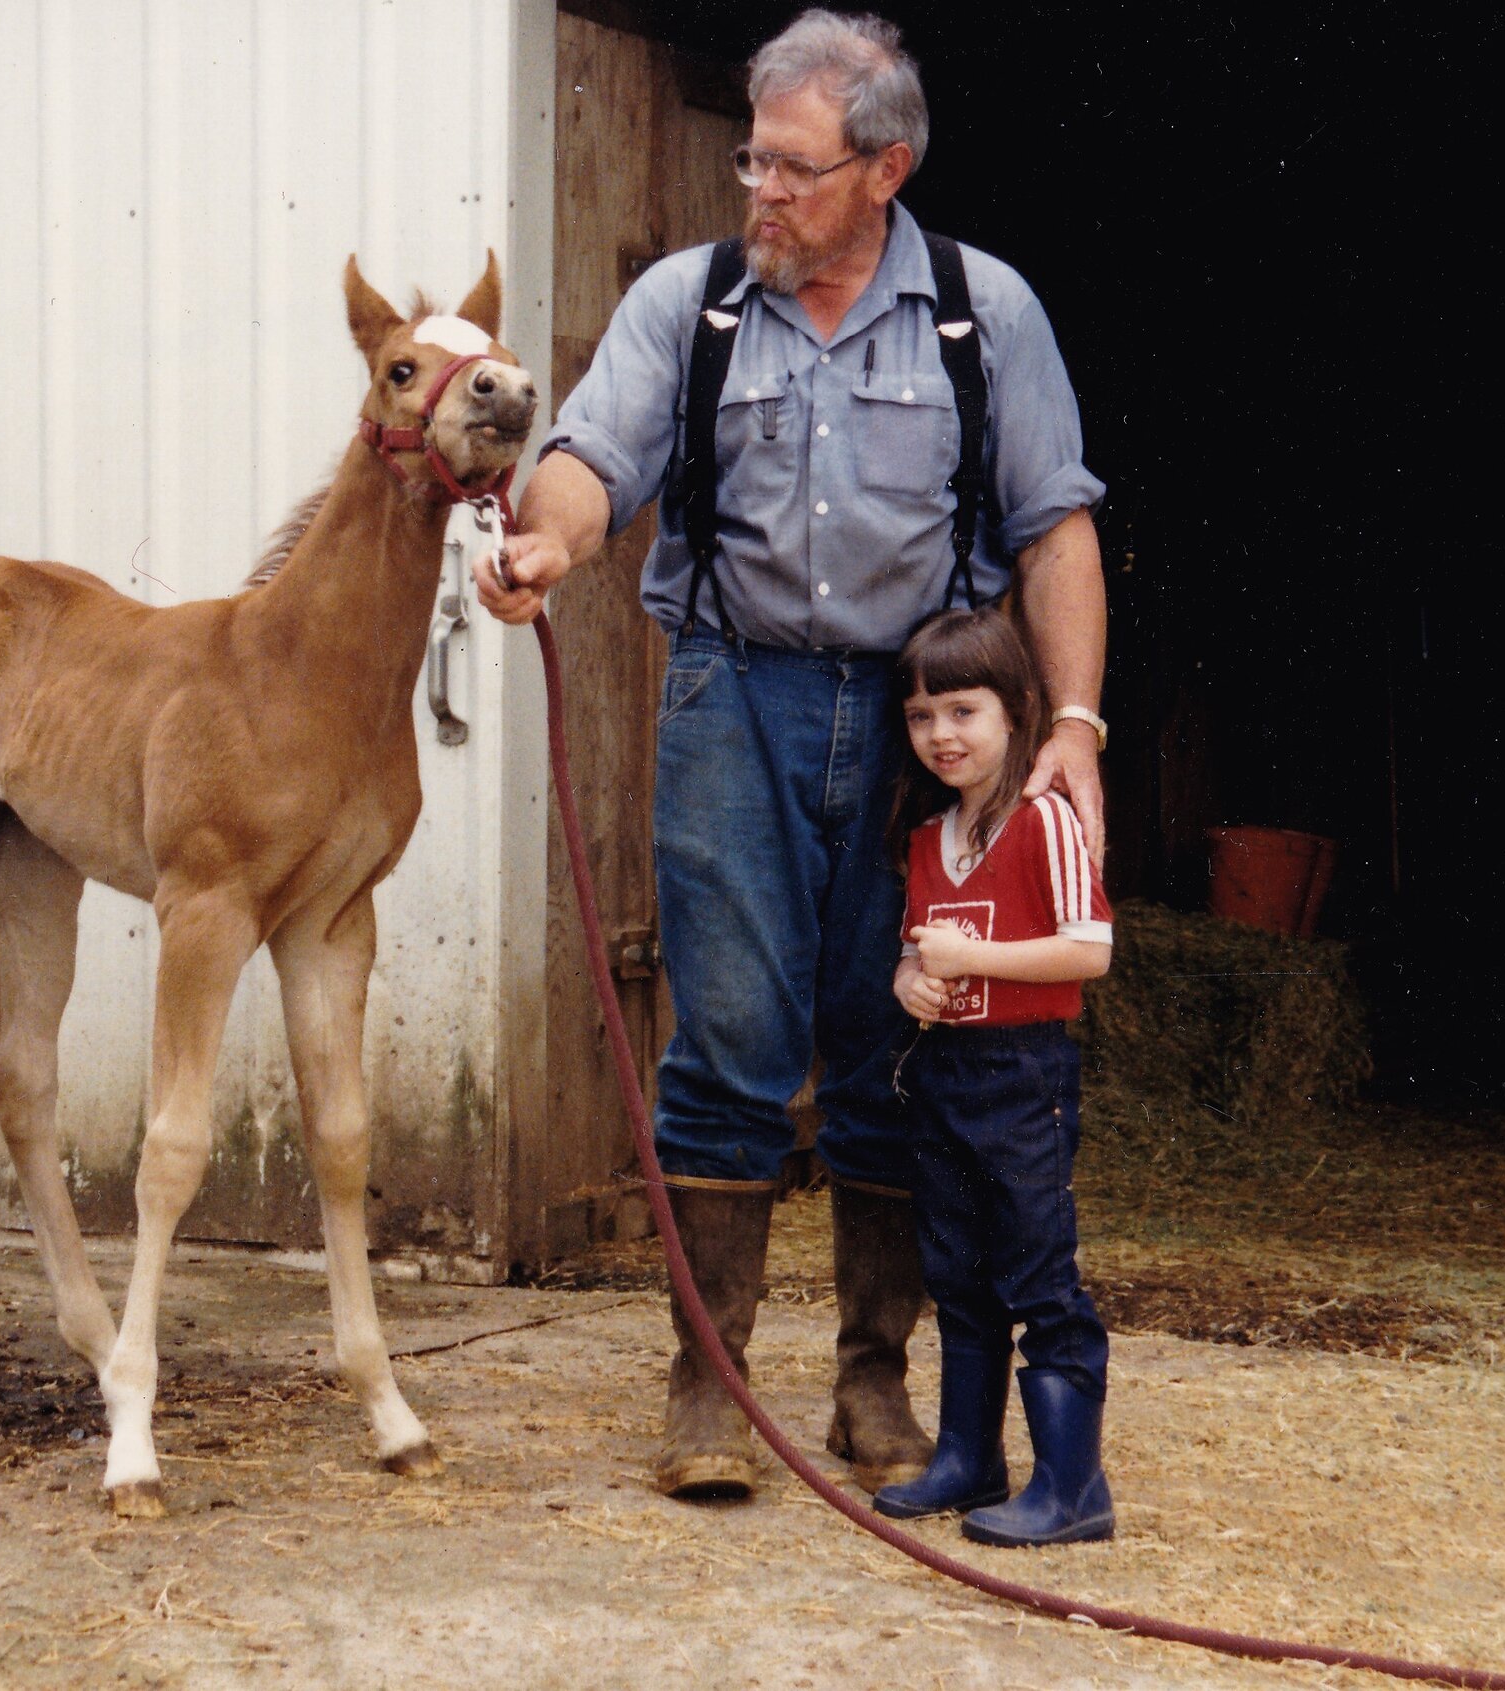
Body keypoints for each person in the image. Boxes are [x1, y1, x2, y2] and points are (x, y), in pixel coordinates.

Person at [476, 8, 1110, 1501]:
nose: (759, 189)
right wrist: (547, 545)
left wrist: (1074, 724)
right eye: (750, 160)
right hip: (731, 692)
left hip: (919, 720)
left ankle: (874, 1379)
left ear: (884, 171)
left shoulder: (983, 313)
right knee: (729, 1041)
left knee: (896, 1036)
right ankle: (709, 1383)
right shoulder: (687, 303)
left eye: (792, 168)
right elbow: (591, 458)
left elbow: (1053, 526)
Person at [871, 608, 1115, 1545]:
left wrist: (972, 957)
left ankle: (1074, 1487)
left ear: (1017, 711)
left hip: (1023, 1072)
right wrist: (913, 982)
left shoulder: (1043, 821)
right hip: (944, 1074)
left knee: (1037, 1273)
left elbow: (1089, 949)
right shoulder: (928, 837)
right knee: (958, 1272)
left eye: (963, 711)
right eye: (921, 715)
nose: (942, 734)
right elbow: (914, 955)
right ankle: (969, 1457)